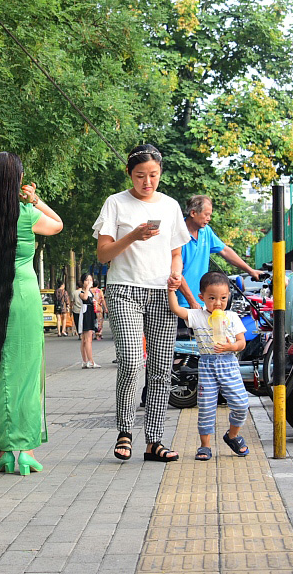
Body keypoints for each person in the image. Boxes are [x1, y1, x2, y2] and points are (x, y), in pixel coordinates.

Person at [0, 151, 63, 476]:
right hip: (25, 299)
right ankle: (27, 452)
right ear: (17, 181)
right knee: (27, 375)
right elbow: (58, 225)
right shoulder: (28, 212)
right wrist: (36, 198)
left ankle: (5, 452)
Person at [93, 144, 190, 463]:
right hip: (123, 291)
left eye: (153, 176)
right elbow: (104, 254)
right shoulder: (115, 203)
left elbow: (176, 252)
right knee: (132, 362)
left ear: (160, 173)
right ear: (129, 174)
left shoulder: (171, 206)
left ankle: (155, 440)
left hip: (163, 293)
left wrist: (176, 275)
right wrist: (133, 236)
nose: (147, 182)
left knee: (162, 370)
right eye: (140, 176)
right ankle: (124, 431)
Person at [168, 271, 250, 460]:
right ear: (202, 297)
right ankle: (205, 446)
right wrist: (171, 290)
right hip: (207, 364)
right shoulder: (197, 316)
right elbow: (176, 310)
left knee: (241, 404)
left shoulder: (232, 317)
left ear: (228, 296)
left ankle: (233, 435)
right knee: (206, 406)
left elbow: (241, 342)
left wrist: (231, 346)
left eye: (222, 298)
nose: (218, 303)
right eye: (212, 298)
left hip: (228, 364)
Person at [177, 195, 262, 309]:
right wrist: (191, 301)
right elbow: (176, 272)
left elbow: (225, 251)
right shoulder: (177, 233)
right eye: (206, 214)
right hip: (181, 303)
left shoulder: (205, 231)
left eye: (210, 215)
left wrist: (250, 270)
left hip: (202, 301)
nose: (209, 218)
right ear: (193, 213)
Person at [77, 274, 100, 368]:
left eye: (91, 280)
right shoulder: (82, 292)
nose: (89, 282)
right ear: (83, 282)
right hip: (86, 314)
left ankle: (86, 361)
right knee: (87, 339)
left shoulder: (90, 292)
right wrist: (87, 288)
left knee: (85, 340)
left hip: (91, 313)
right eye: (87, 280)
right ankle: (90, 361)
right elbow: (85, 298)